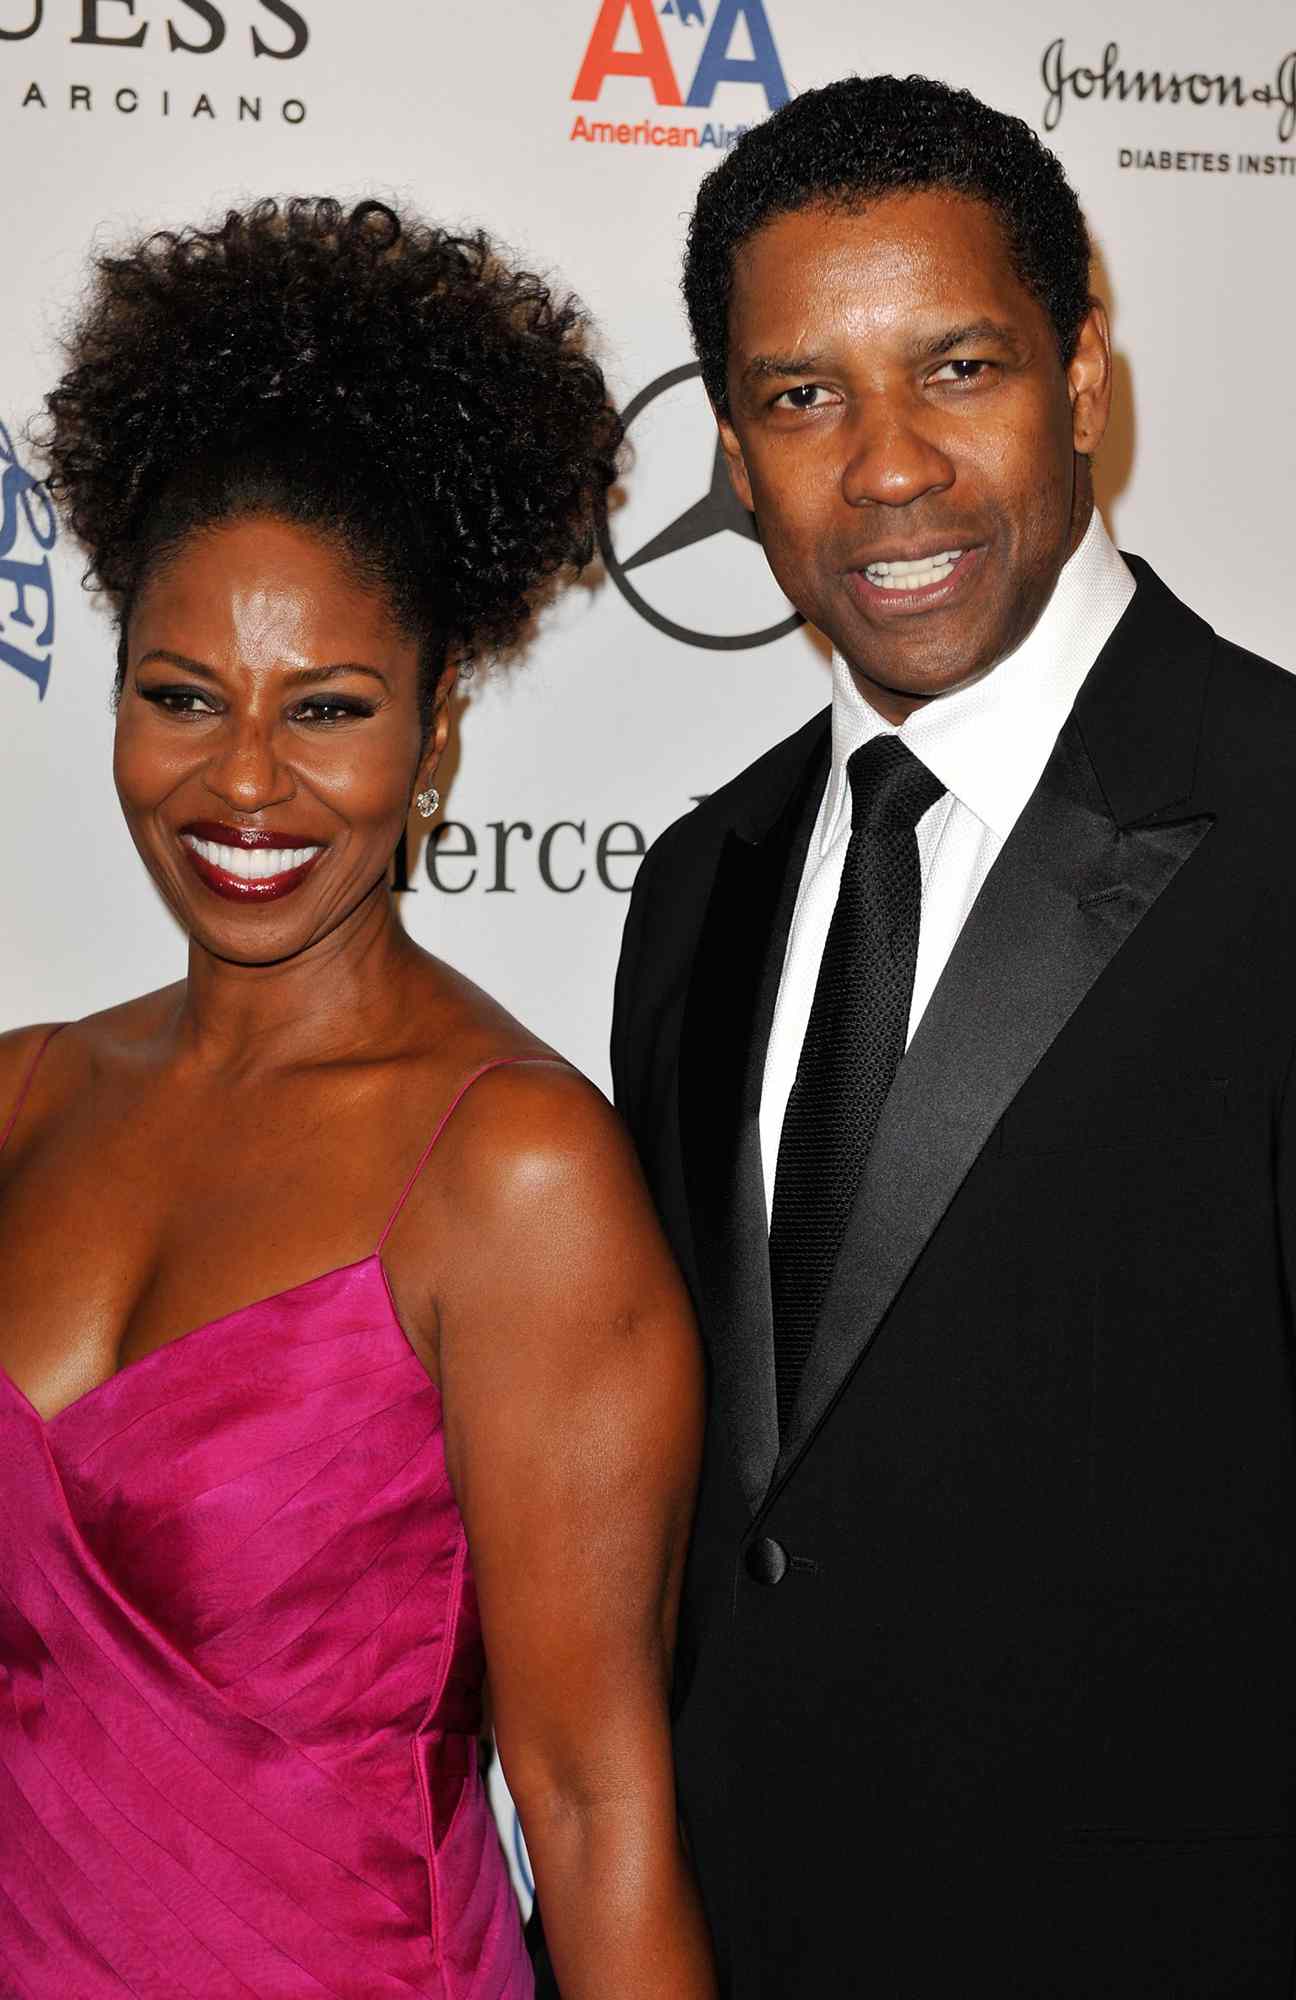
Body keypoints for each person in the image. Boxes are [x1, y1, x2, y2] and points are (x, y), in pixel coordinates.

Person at [604, 75, 1296, 1997]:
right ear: (735, 454)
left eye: (959, 366)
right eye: (805, 395)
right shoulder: (695, 886)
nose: (887, 466)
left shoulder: (1278, 816)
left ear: (1084, 380)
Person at [0, 198, 716, 2000]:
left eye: (325, 709)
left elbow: (592, 1805)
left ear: (436, 727)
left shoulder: (513, 1168)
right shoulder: (18, 1097)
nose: (243, 781)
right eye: (181, 696)